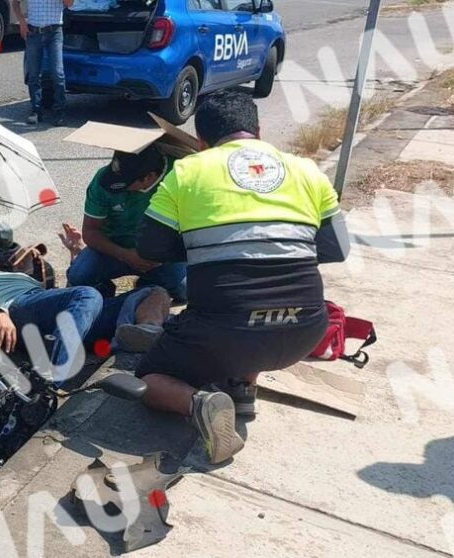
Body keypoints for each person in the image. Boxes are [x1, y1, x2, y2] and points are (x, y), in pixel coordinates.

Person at [132, 91, 350, 464]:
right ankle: (243, 389)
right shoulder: (307, 170)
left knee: (147, 380)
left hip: (225, 332)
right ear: (259, 131)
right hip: (304, 332)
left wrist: (207, 246)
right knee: (259, 306)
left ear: (200, 141)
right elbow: (337, 249)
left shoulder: (187, 171)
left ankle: (200, 404)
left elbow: (149, 249)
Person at [0, 239, 172, 383]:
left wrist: (75, 253)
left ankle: (145, 333)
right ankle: (54, 377)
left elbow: (70, 303)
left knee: (155, 291)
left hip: (58, 317)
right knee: (89, 294)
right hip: (17, 308)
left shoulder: (16, 275)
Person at [62, 145, 187, 302]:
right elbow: (90, 231)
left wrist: (164, 254)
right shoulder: (102, 180)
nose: (118, 189)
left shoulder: (181, 176)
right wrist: (126, 255)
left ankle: (148, 286)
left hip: (162, 255)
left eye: (125, 184)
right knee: (79, 275)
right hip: (113, 249)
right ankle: (104, 290)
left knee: (184, 290)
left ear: (149, 177)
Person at [12, 0, 73, 125]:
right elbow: (15, 2)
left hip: (54, 32)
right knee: (34, 74)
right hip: (33, 32)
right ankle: (36, 110)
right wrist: (22, 22)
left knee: (58, 73)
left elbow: (69, 4)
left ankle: (59, 111)